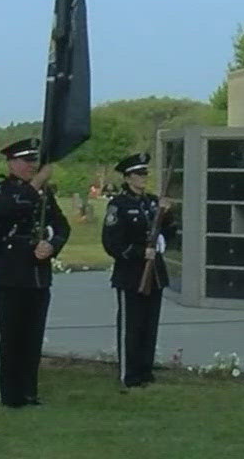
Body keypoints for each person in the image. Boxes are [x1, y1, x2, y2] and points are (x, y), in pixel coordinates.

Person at [0, 137, 71, 407]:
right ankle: (10, 394)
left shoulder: (44, 193)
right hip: (10, 271)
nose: (32, 166)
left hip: (37, 272)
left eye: (35, 160)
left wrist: (52, 245)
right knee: (11, 335)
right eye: (26, 160)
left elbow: (62, 226)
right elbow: (6, 209)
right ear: (11, 163)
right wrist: (36, 184)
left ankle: (29, 391)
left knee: (33, 335)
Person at [102, 153, 179, 389]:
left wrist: (166, 214)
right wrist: (137, 253)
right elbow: (111, 242)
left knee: (149, 324)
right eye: (138, 174)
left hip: (154, 273)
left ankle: (145, 370)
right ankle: (130, 373)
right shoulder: (119, 205)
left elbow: (171, 234)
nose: (143, 178)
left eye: (145, 173)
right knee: (131, 326)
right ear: (127, 178)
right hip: (131, 273)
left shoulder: (152, 202)